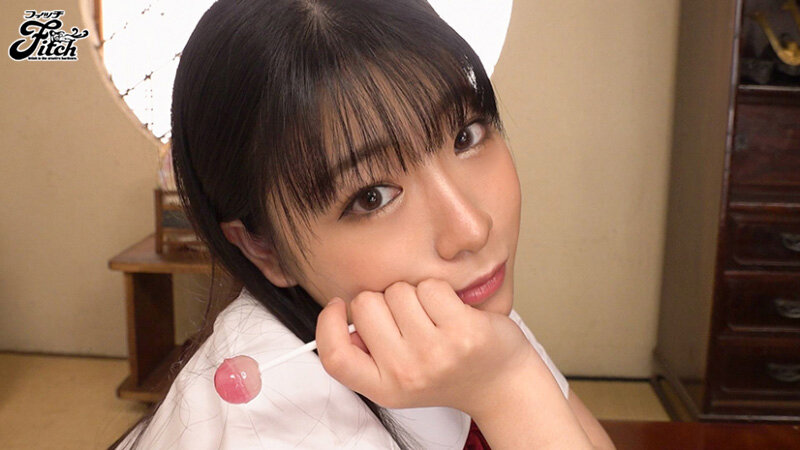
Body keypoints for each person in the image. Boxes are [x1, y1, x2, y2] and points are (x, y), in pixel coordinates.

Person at [114, 0, 615, 448]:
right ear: (264, 248)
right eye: (371, 197)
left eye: (466, 135)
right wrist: (506, 388)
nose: (472, 229)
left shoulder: (449, 308)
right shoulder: (279, 423)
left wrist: (507, 380)